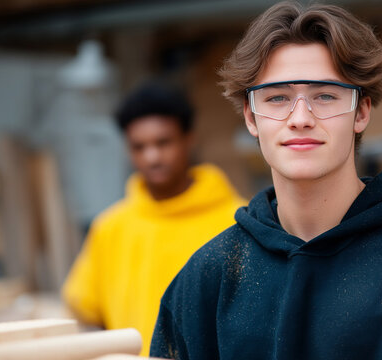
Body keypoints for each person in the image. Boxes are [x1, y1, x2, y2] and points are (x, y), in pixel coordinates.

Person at [150, 2, 382, 359]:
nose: (300, 117)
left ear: (361, 112)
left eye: (325, 95)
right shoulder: (208, 278)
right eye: (277, 97)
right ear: (251, 117)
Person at [62, 82, 245, 356]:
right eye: (139, 146)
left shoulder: (237, 222)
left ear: (189, 139)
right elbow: (86, 309)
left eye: (163, 142)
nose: (152, 157)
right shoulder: (111, 227)